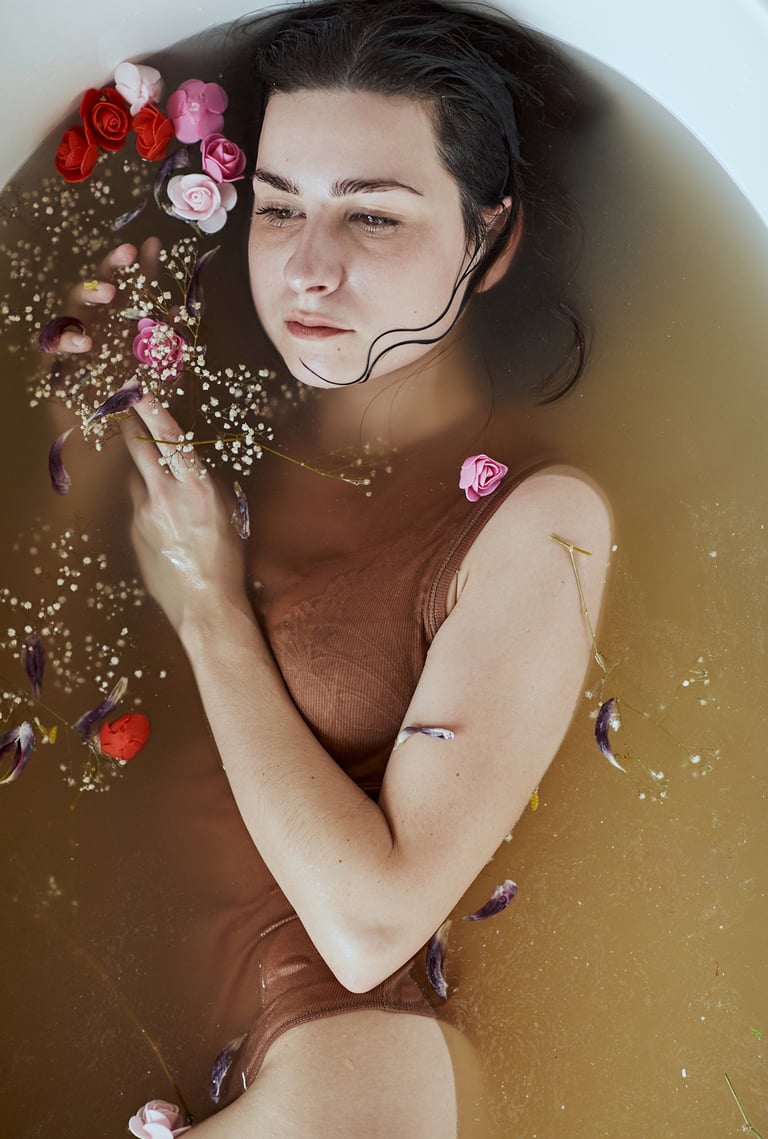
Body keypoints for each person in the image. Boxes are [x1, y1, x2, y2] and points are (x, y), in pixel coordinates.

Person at [63, 1, 611, 1134]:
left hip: (350, 1067)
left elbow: (373, 923)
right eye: (277, 208)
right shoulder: (207, 435)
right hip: (109, 991)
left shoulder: (542, 519)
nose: (307, 269)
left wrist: (211, 606)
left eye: (372, 215)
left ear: (489, 239)